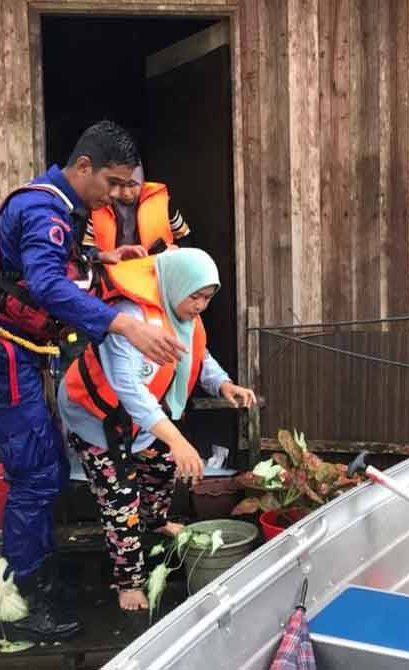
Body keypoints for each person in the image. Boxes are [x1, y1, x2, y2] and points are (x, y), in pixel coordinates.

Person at [0, 120, 188, 642]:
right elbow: (48, 284)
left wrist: (102, 257)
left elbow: (41, 264)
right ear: (84, 167)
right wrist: (119, 322)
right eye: (112, 183)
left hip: (9, 351)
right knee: (36, 476)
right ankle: (24, 604)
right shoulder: (44, 209)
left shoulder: (56, 206)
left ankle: (40, 577)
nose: (117, 196)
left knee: (47, 471)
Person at [58, 248, 256, 611]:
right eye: (194, 295)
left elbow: (198, 354)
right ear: (173, 284)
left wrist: (223, 385)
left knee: (164, 465)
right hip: (95, 418)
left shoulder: (183, 318)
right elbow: (128, 387)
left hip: (138, 419)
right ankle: (128, 581)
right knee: (120, 499)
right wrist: (177, 439)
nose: (200, 305)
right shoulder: (130, 317)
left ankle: (156, 521)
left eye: (207, 298)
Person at [86, 164, 190, 255]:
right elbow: (86, 247)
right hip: (111, 272)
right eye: (121, 185)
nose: (126, 193)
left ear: (141, 182)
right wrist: (101, 256)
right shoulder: (99, 204)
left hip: (155, 271)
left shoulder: (164, 203)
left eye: (132, 185)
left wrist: (177, 250)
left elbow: (184, 237)